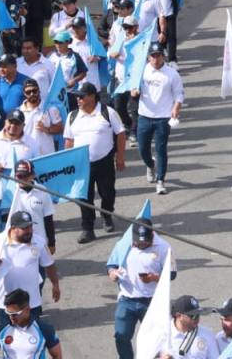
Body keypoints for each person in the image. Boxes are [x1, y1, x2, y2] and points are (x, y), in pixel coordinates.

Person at [64, 82, 126, 243]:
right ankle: (88, 227)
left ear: (92, 96)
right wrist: (68, 163)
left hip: (104, 161)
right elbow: (69, 140)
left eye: (82, 96)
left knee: (108, 193)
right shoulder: (72, 116)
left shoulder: (107, 112)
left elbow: (120, 134)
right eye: (77, 97)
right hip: (81, 164)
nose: (78, 99)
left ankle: (107, 214)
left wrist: (120, 157)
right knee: (84, 197)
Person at [109, 218, 176, 359]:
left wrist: (154, 277)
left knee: (155, 341)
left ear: (152, 234)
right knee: (121, 336)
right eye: (138, 242)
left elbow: (172, 274)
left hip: (152, 302)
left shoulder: (164, 247)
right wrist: (112, 273)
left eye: (145, 241)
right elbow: (112, 264)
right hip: (127, 299)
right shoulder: (123, 244)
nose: (142, 244)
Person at [0, 211, 61, 325]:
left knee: (32, 337)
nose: (29, 231)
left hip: (32, 303)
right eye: (25, 228)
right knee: (8, 338)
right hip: (6, 304)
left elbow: (49, 265)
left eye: (30, 226)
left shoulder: (39, 241)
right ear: (13, 228)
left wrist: (55, 284)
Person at [135, 42, 184, 195]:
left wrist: (176, 108)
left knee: (161, 149)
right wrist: (133, 91)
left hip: (163, 118)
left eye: (158, 55)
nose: (156, 59)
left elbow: (179, 94)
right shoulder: (141, 71)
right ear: (148, 57)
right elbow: (132, 86)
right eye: (153, 56)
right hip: (144, 115)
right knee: (143, 149)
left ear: (163, 56)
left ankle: (161, 180)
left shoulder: (172, 74)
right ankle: (150, 165)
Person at [0, 288, 64, 359]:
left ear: (27, 309)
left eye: (15, 314)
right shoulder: (0, 331)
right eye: (8, 313)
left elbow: (57, 356)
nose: (11, 317)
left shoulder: (45, 329)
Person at [11, 160, 57, 247]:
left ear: (33, 175)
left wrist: (52, 242)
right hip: (18, 243)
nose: (22, 179)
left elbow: (48, 219)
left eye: (25, 176)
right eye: (19, 176)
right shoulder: (10, 192)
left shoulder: (43, 191)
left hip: (40, 242)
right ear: (14, 176)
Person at [18, 78, 64, 157]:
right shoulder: (19, 112)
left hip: (46, 154)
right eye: (28, 92)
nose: (32, 94)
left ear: (39, 90)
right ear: (24, 94)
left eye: (34, 91)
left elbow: (60, 128)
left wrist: (46, 129)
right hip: (27, 155)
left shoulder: (50, 108)